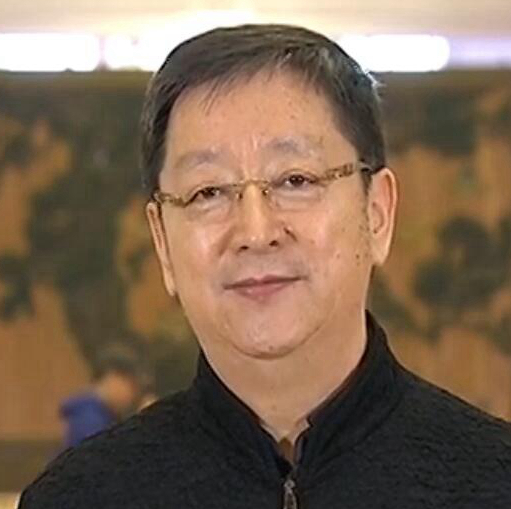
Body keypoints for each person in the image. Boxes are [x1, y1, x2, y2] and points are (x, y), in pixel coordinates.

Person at [19, 24, 511, 508]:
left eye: (296, 180)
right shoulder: (78, 497)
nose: (256, 232)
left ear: (376, 213)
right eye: (208, 192)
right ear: (162, 242)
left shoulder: (494, 481)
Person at [59, 345, 143, 449]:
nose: (133, 395)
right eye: (132, 386)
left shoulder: (97, 415)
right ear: (114, 377)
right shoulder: (90, 421)